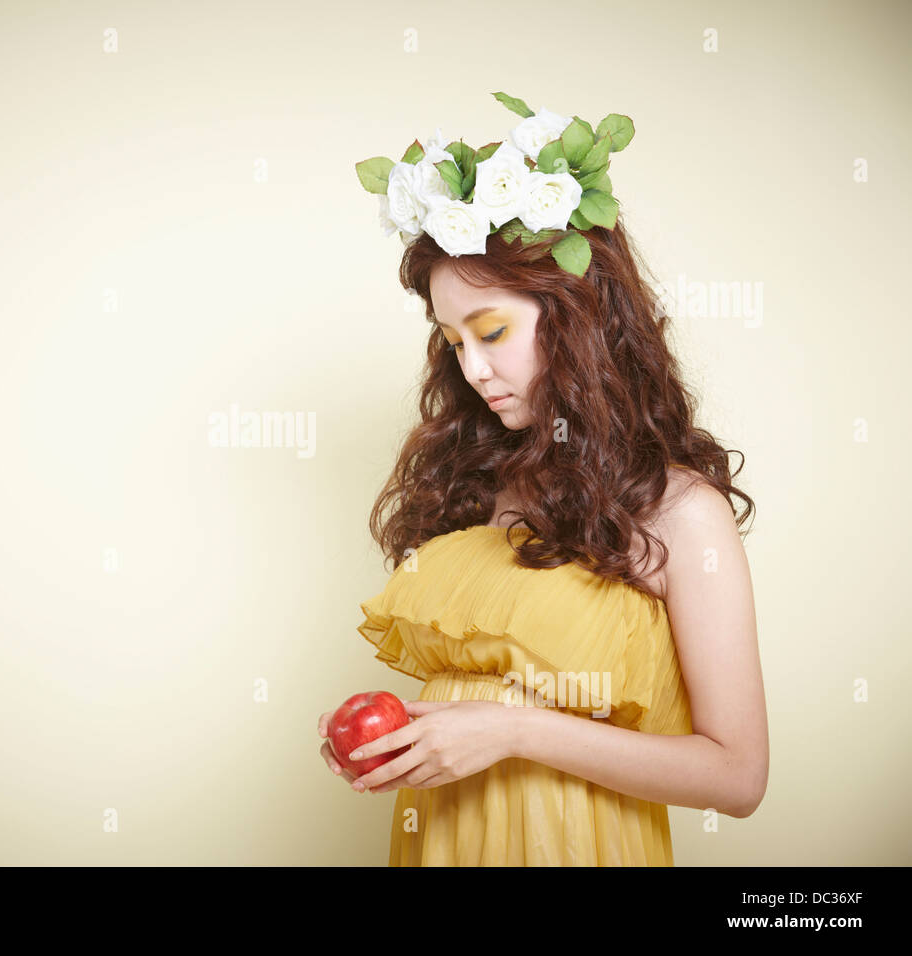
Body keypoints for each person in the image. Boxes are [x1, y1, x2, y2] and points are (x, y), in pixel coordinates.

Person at [319, 99, 768, 865]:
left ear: (577, 314)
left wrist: (515, 731)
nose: (473, 369)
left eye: (491, 331)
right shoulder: (475, 488)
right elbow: (470, 700)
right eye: (452, 340)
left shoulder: (681, 512)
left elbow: (738, 775)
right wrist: (397, 737)